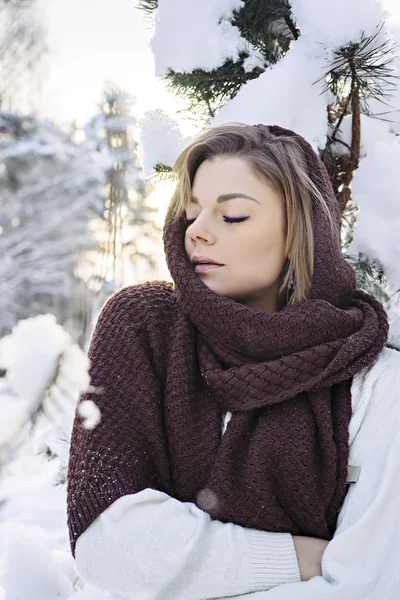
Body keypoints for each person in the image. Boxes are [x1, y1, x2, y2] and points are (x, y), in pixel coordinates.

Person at [66, 123, 400, 600]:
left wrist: (184, 566)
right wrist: (302, 558)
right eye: (192, 212)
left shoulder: (376, 384)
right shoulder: (143, 329)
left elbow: (368, 585)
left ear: (301, 231)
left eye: (234, 216)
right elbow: (108, 546)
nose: (196, 232)